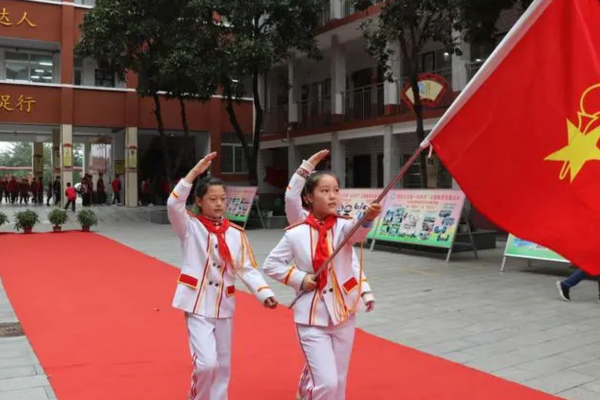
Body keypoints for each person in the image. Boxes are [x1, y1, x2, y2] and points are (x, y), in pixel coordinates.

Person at [167, 152, 278, 400]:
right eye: (212, 199)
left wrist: (265, 293)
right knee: (206, 364)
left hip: (224, 304)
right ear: (199, 201)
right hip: (197, 303)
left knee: (223, 366)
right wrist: (194, 173)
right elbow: (173, 205)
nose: (219, 203)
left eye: (222, 199)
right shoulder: (189, 227)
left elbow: (247, 268)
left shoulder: (236, 234)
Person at [263, 170, 380, 400]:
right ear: (308, 197)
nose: (332, 196)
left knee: (338, 380)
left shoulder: (343, 227)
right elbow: (271, 265)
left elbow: (356, 234)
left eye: (336, 190)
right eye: (325, 191)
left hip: (342, 313)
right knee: (325, 383)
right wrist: (300, 278)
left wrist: (367, 219)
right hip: (310, 317)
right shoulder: (295, 233)